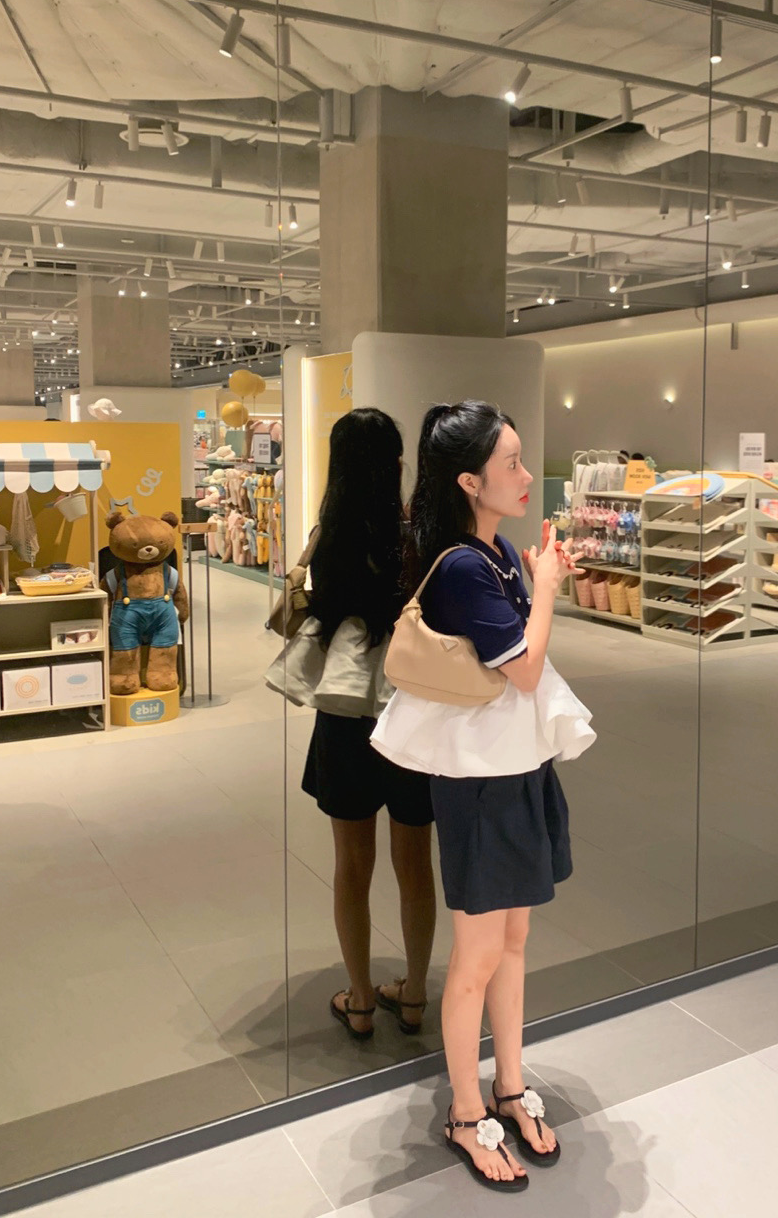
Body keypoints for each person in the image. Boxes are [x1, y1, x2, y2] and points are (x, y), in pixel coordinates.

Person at [371, 400, 596, 1192]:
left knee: (513, 943)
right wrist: (547, 588)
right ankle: (467, 1113)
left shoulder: (493, 551)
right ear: (470, 481)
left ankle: (509, 1084)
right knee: (475, 957)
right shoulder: (466, 565)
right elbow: (524, 671)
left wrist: (533, 578)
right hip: (479, 784)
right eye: (511, 464)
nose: (527, 475)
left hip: (516, 768)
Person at [300, 408, 437, 1040]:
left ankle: (358, 999)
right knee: (416, 861)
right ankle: (414, 995)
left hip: (346, 708)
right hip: (411, 708)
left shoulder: (329, 538)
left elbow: (319, 613)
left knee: (352, 864)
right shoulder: (419, 537)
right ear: (397, 462)